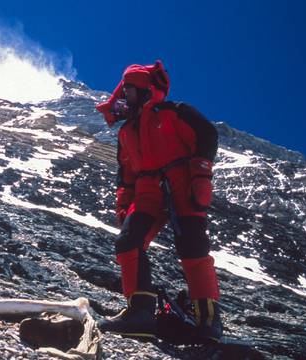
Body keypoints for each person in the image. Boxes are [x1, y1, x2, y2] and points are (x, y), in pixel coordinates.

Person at [95, 60, 222, 343]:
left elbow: (207, 134)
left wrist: (201, 174)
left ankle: (209, 321)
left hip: (181, 180)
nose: (123, 95)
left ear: (144, 90)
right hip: (146, 188)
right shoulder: (127, 132)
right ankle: (139, 313)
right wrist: (123, 203)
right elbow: (125, 174)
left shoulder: (175, 113)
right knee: (128, 241)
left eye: (129, 90)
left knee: (192, 247)